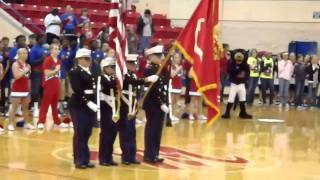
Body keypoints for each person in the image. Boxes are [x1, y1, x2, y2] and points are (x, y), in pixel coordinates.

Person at [119, 54, 158, 165]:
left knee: (132, 132)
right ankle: (125, 157)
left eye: (134, 64)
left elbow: (136, 85)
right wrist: (147, 79)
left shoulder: (134, 75)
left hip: (132, 105)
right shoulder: (123, 75)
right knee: (125, 132)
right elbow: (133, 82)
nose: (134, 66)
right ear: (126, 64)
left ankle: (132, 156)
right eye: (132, 64)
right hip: (124, 106)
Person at [69, 48, 97, 169]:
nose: (88, 61)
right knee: (80, 133)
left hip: (90, 106)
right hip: (79, 105)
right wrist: (88, 102)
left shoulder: (90, 71)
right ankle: (79, 159)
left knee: (87, 132)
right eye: (86, 59)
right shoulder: (75, 72)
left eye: (89, 59)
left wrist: (95, 103)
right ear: (79, 60)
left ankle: (85, 158)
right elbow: (77, 89)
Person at [143, 45, 169, 163]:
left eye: (161, 55)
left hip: (160, 104)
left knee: (158, 130)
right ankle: (149, 154)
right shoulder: (150, 69)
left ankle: (155, 153)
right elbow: (153, 89)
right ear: (151, 56)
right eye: (158, 56)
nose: (161, 58)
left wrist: (164, 102)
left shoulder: (160, 68)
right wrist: (161, 102)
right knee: (152, 129)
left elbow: (164, 85)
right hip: (153, 104)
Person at [37, 43, 69, 129]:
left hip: (56, 84)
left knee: (55, 105)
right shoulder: (48, 60)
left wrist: (56, 72)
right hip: (48, 84)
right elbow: (46, 73)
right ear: (51, 50)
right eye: (55, 49)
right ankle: (41, 122)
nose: (57, 50)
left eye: (58, 48)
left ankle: (57, 122)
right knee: (45, 104)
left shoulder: (58, 60)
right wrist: (56, 70)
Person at [7, 48, 35, 131]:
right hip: (17, 89)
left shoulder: (28, 65)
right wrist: (25, 70)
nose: (25, 55)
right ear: (18, 54)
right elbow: (16, 76)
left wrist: (29, 90)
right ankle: (10, 124)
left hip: (25, 89)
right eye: (23, 53)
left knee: (25, 108)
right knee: (14, 108)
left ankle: (26, 123)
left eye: (26, 53)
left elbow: (28, 78)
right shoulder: (15, 64)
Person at [98, 57, 119, 166]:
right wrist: (118, 78)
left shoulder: (112, 77)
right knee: (106, 134)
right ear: (105, 68)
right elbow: (108, 85)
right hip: (106, 108)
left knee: (113, 133)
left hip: (114, 108)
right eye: (111, 67)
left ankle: (109, 156)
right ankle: (103, 158)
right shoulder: (102, 78)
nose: (114, 69)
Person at [221, 49, 252, 119]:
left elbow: (247, 74)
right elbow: (231, 72)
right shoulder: (232, 64)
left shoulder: (246, 65)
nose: (239, 61)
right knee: (231, 98)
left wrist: (245, 81)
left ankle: (243, 113)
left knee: (242, 99)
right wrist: (239, 68)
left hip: (242, 84)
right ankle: (227, 112)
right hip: (234, 84)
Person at [29, 34, 47, 118]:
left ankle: (40, 108)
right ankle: (34, 108)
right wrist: (42, 59)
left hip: (43, 72)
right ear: (38, 39)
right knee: (35, 91)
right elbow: (31, 62)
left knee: (42, 91)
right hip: (36, 72)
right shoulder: (34, 49)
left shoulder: (44, 48)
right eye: (43, 38)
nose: (44, 39)